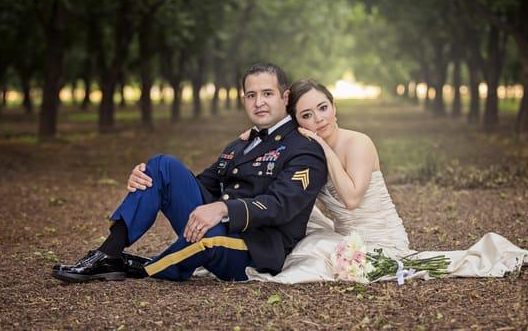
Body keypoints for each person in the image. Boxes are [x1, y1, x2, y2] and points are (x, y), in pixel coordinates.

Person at [240, 79, 528, 283]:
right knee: (302, 233)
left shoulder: (358, 143)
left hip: (382, 238)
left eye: (323, 108)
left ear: (334, 108)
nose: (319, 118)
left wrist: (322, 147)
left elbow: (350, 199)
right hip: (346, 234)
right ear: (297, 123)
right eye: (307, 115)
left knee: (314, 255)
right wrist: (257, 138)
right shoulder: (303, 150)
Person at [52, 63, 328, 283]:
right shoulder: (240, 145)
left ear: (285, 96)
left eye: (267, 94)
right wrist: (149, 179)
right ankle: (107, 252)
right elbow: (193, 185)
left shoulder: (304, 148)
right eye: (251, 95)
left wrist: (222, 209)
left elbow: (280, 206)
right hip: (218, 224)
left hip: (256, 246)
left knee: (209, 238)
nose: (259, 103)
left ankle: (139, 267)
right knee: (162, 165)